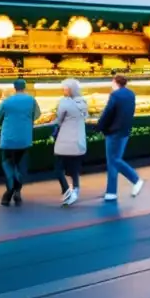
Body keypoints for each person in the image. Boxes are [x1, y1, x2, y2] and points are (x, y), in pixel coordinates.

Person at [0, 79, 41, 207]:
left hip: (8, 139)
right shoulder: (31, 100)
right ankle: (18, 192)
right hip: (24, 138)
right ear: (24, 87)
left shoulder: (7, 101)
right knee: (21, 165)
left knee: (7, 162)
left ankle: (10, 189)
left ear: (14, 87)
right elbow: (37, 115)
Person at [97, 74, 144, 201]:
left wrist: (99, 126)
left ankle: (136, 179)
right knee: (114, 161)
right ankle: (111, 192)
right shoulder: (131, 94)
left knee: (114, 159)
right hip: (125, 131)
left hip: (114, 132)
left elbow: (108, 113)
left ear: (115, 82)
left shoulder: (115, 95)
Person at [52, 78, 88, 206]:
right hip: (78, 141)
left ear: (70, 90)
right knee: (74, 169)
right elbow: (86, 117)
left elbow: (59, 120)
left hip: (65, 142)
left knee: (58, 169)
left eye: (65, 88)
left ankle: (67, 191)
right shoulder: (84, 102)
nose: (64, 90)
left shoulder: (64, 102)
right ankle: (75, 190)